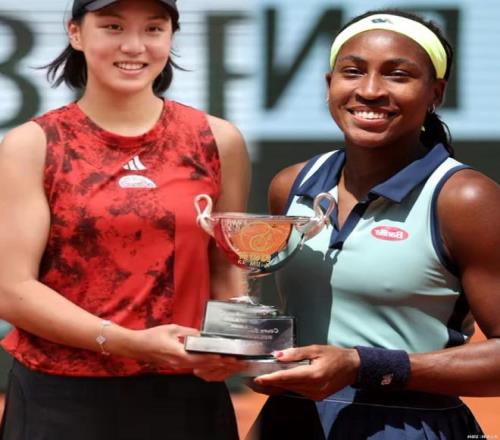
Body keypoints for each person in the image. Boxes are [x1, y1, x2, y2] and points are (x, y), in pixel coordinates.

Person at [0, 0, 250, 439]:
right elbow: (11, 289)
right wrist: (128, 343)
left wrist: (234, 346)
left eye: (153, 29)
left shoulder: (217, 140)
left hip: (186, 395)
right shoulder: (32, 145)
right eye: (113, 27)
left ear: (171, 36)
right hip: (61, 398)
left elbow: (226, 267)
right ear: (76, 33)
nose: (134, 46)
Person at [248, 8, 500, 440]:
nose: (369, 90)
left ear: (435, 92)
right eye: (352, 71)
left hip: (408, 427)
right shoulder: (291, 185)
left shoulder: (465, 199)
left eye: (398, 75)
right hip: (289, 422)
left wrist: (366, 366)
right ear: (330, 84)